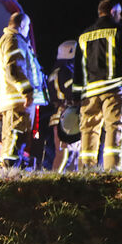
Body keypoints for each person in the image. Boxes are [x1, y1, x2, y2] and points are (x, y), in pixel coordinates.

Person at [73, 0, 122, 170]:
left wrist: (77, 95)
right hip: (115, 90)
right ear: (112, 12)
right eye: (119, 12)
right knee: (115, 129)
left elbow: (78, 70)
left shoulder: (84, 35)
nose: (121, 16)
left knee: (88, 131)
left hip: (90, 94)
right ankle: (113, 172)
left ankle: (86, 173)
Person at [0, 12, 46, 168]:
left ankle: (12, 172)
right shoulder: (13, 41)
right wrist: (27, 92)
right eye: (27, 26)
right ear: (23, 25)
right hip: (18, 100)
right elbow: (14, 68)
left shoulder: (10, 41)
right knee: (14, 138)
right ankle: (8, 174)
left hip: (16, 100)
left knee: (18, 139)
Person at [47, 40, 79, 171]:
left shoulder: (57, 70)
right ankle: (54, 182)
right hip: (67, 116)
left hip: (61, 115)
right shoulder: (65, 71)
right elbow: (73, 91)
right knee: (65, 154)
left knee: (71, 154)